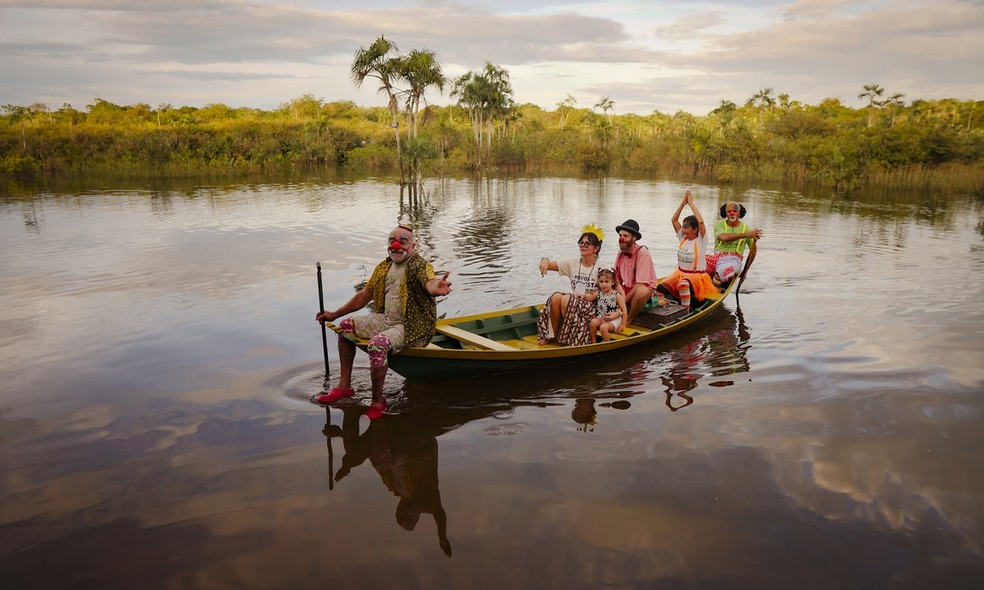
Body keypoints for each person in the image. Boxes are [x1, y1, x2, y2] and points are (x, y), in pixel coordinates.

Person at [315, 224, 452, 419]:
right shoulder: (384, 267)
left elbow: (429, 282)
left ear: (413, 246)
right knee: (345, 328)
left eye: (403, 242)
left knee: (377, 345)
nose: (396, 245)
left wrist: (436, 287)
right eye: (392, 241)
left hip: (412, 327)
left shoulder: (421, 266)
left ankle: (378, 401)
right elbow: (364, 296)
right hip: (388, 321)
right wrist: (334, 315)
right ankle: (344, 387)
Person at [536, 224, 604, 346]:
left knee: (567, 299)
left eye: (587, 243)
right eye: (581, 242)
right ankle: (552, 336)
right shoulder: (572, 263)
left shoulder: (602, 267)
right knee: (556, 297)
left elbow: (613, 289)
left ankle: (572, 339)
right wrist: (544, 261)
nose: (583, 245)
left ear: (596, 248)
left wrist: (592, 296)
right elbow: (549, 263)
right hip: (574, 303)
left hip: (593, 307)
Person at [656, 190, 718, 309]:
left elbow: (701, 221)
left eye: (686, 227)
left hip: (696, 278)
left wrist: (691, 203)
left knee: (683, 284)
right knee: (659, 288)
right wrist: (683, 203)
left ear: (694, 229)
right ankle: (668, 305)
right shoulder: (683, 238)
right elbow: (673, 220)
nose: (683, 230)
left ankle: (685, 311)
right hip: (680, 274)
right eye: (683, 227)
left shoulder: (701, 240)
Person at [613, 218, 659, 329]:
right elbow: (616, 279)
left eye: (625, 236)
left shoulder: (642, 252)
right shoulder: (620, 253)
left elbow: (641, 284)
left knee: (641, 291)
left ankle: (628, 319)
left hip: (644, 291)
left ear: (634, 238)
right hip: (627, 288)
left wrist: (622, 301)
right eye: (620, 235)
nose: (621, 239)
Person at [705, 201, 763, 284]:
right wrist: (746, 235)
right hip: (717, 258)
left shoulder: (746, 229)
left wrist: (745, 271)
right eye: (729, 211)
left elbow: (753, 250)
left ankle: (717, 279)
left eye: (735, 211)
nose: (732, 213)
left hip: (734, 260)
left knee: (723, 272)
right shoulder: (718, 225)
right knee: (695, 261)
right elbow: (723, 238)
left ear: (739, 214)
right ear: (725, 214)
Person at [589, 268, 628, 342]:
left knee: (603, 328)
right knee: (593, 322)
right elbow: (589, 298)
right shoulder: (598, 293)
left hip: (614, 320)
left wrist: (623, 323)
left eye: (607, 282)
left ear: (612, 282)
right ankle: (593, 342)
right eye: (601, 282)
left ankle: (607, 344)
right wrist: (582, 296)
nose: (604, 284)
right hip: (602, 317)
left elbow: (624, 309)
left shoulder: (616, 295)